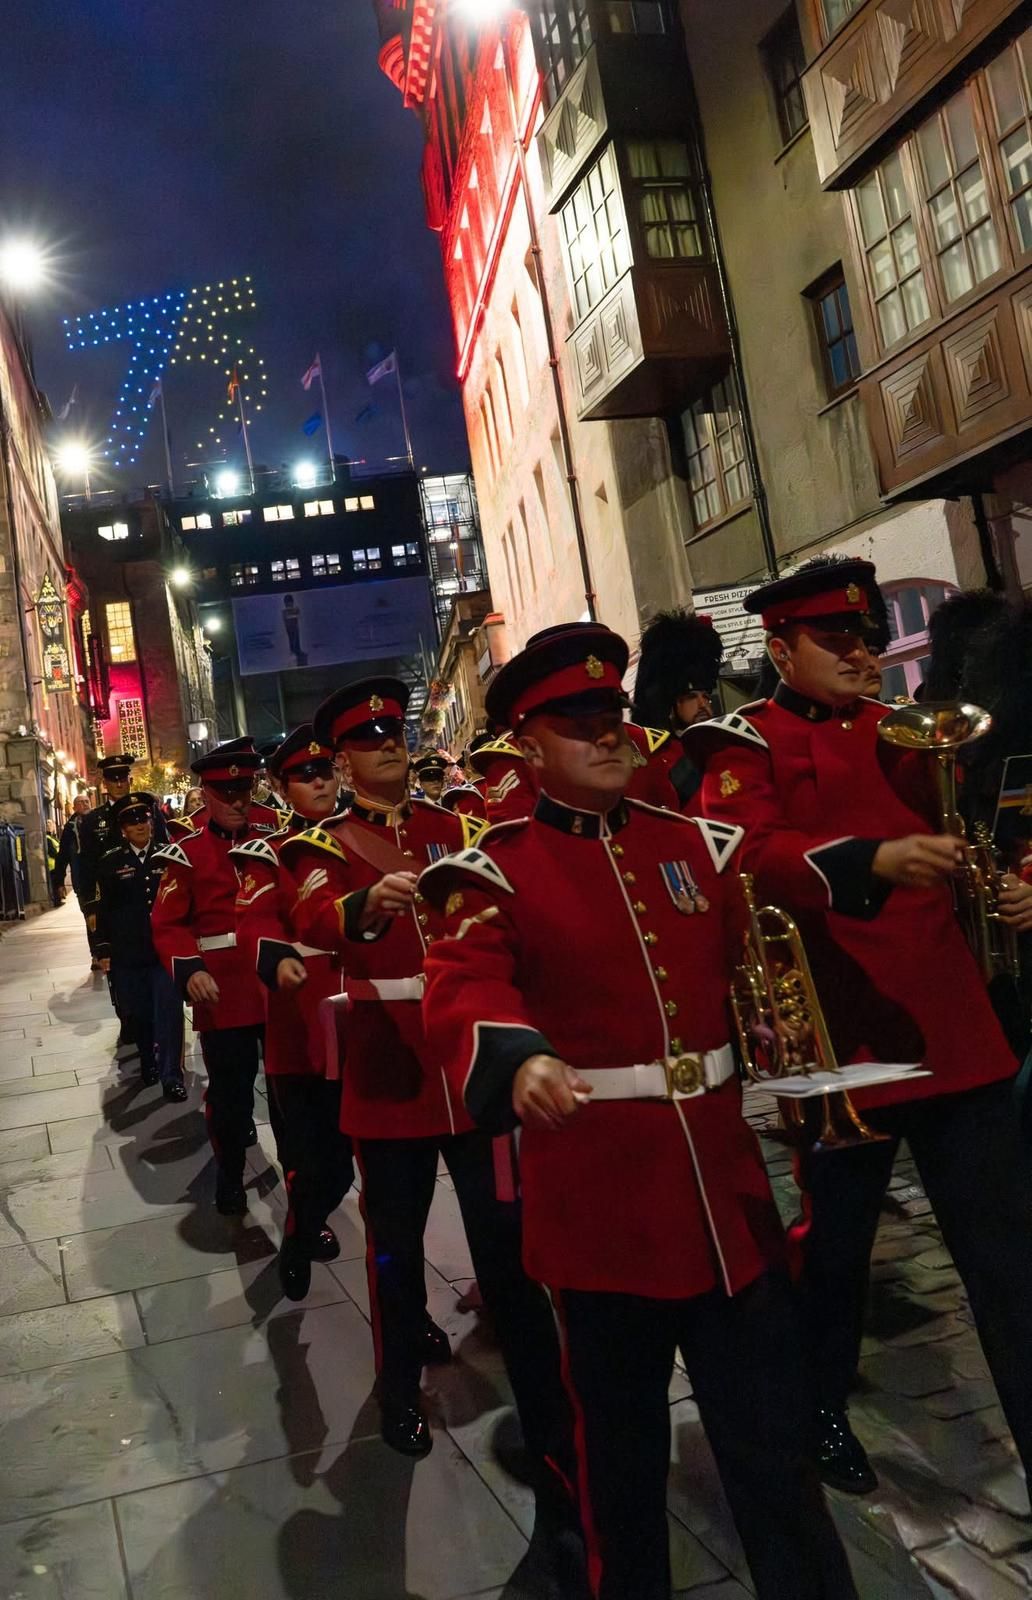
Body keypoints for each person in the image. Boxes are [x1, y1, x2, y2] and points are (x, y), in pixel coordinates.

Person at [419, 621, 856, 1600]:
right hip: (602, 1219)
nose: (611, 736)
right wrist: (519, 1055)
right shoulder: (495, 870)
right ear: (529, 745)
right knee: (621, 1472)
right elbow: (464, 985)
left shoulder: (694, 845)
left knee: (777, 1460)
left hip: (727, 1210)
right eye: (580, 726)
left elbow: (793, 893)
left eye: (614, 716)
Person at [690, 558, 1032, 1498]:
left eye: (869, 638)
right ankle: (819, 1409)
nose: (862, 654)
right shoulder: (742, 744)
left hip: (952, 1026)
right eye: (836, 641)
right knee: (836, 1254)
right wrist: (873, 857)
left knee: (1008, 1262)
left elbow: (978, 835)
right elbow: (746, 853)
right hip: (843, 1041)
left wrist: (1008, 886)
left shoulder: (912, 731)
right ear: (780, 647)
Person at [278, 678, 583, 1589]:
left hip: (466, 1067)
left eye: (394, 737)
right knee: (396, 1248)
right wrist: (365, 910)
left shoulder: (457, 829)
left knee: (508, 1248)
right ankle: (398, 1392)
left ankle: (547, 1414)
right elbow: (313, 916)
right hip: (389, 1070)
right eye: (369, 743)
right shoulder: (320, 846)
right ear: (341, 760)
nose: (390, 751)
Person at [232, 725, 356, 1300]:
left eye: (326, 769)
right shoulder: (269, 854)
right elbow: (252, 922)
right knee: (318, 1162)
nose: (320, 781)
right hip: (302, 1029)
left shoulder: (365, 839)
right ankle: (301, 1230)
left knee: (375, 1178)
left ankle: (403, 1310)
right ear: (281, 789)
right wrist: (276, 961)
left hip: (370, 1028)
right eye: (305, 775)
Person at [151, 738, 282, 1214]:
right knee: (230, 1096)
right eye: (224, 792)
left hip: (280, 988)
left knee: (292, 1100)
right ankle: (230, 1174)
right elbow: (167, 924)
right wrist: (189, 970)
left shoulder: (278, 833)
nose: (236, 800)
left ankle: (303, 1200)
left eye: (243, 789)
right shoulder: (187, 852)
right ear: (204, 793)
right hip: (222, 992)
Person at [94, 794, 186, 1100]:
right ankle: (149, 1060)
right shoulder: (111, 863)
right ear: (123, 828)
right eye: (132, 822)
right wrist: (104, 948)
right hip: (130, 953)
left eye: (144, 819)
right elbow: (103, 909)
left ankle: (172, 1075)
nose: (140, 826)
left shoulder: (168, 855)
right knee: (141, 1013)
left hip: (164, 950)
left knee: (169, 1012)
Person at [79, 756, 167, 984]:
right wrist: (90, 909)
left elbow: (163, 847)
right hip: (114, 896)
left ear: (129, 780)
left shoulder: (150, 810)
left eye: (123, 779)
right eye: (113, 779)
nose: (119, 784)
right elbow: (87, 866)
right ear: (104, 783)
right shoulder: (92, 820)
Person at [626, 609, 724, 812]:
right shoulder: (650, 757)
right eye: (691, 697)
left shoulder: (721, 745)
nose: (703, 705)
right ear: (669, 704)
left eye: (705, 696)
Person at [52, 794, 91, 906]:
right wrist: (59, 882)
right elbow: (62, 857)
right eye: (81, 802)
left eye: (86, 801)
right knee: (89, 915)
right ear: (74, 808)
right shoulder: (69, 829)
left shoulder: (99, 822)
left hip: (102, 879)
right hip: (81, 880)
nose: (85, 804)